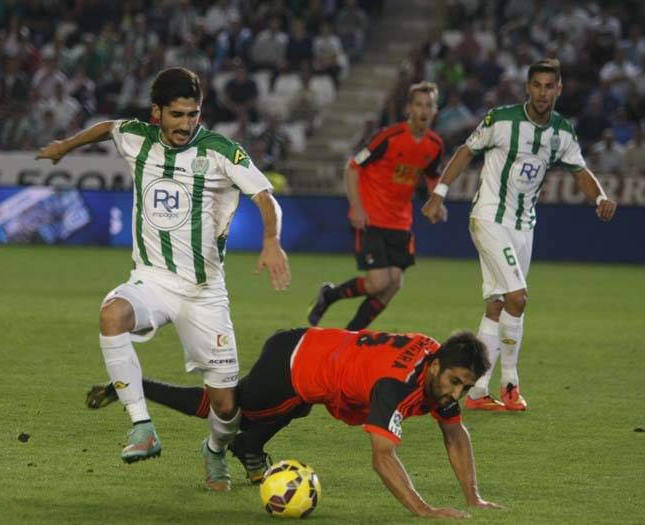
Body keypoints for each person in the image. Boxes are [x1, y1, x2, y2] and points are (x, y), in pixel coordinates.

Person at [36, 67, 291, 491]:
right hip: (152, 279)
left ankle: (214, 449)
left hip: (204, 292)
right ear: (157, 114)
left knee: (226, 408)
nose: (186, 124)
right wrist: (66, 145)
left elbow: (265, 197)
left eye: (193, 115)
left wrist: (271, 240)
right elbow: (108, 128)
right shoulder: (138, 137)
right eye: (177, 115)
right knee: (111, 315)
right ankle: (142, 427)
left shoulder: (220, 151)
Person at [86, 327, 501, 519]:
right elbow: (382, 458)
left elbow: (455, 432)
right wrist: (424, 510)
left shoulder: (438, 366)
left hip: (316, 356)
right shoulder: (396, 385)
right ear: (434, 367)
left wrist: (473, 497)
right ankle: (134, 385)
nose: (456, 395)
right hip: (294, 365)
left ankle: (248, 451)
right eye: (454, 382)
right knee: (228, 410)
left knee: (292, 409)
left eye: (466, 387)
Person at [421, 59, 618, 412]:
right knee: (518, 297)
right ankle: (510, 382)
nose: (543, 93)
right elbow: (466, 150)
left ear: (558, 90)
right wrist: (439, 193)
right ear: (527, 88)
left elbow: (580, 169)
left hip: (524, 226)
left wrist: (601, 197)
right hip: (489, 218)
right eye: (537, 85)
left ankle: (478, 391)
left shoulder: (561, 132)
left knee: (498, 306)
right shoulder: (502, 120)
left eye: (549, 86)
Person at [308, 82, 446, 330]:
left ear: (435, 110)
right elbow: (353, 167)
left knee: (393, 284)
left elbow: (433, 175)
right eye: (418, 105)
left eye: (429, 105)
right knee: (379, 282)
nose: (423, 111)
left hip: (400, 222)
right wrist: (357, 207)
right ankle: (330, 297)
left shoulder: (434, 145)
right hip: (372, 217)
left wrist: (438, 201)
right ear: (409, 108)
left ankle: (351, 333)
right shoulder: (389, 137)